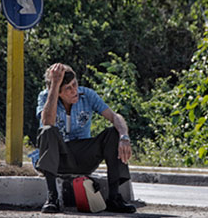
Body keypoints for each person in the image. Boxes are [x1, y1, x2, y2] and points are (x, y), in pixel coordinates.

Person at [35, 63, 136, 214]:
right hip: (58, 159)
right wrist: (54, 86)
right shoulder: (46, 97)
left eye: (74, 84)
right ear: (57, 91)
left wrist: (124, 137)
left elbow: (115, 117)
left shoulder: (87, 94)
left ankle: (114, 197)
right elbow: (47, 122)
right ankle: (52, 198)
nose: (74, 91)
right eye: (68, 88)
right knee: (47, 131)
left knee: (114, 133)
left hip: (84, 156)